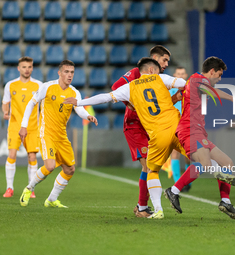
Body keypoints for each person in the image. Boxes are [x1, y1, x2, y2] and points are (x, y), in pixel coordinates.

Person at [64, 58, 235, 219]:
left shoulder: (129, 87)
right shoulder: (160, 79)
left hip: (157, 135)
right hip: (178, 128)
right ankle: (213, 196)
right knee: (204, 160)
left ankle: (158, 210)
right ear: (151, 70)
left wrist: (78, 103)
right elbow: (185, 84)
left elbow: (105, 98)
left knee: (152, 171)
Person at [164, 56, 235, 220]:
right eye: (219, 75)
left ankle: (225, 201)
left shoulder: (197, 83)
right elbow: (212, 91)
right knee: (205, 164)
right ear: (212, 71)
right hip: (189, 129)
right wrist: (232, 97)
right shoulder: (196, 79)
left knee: (227, 163)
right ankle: (173, 191)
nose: (220, 79)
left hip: (199, 131)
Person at [111, 46, 182, 218]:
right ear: (154, 59)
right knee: (148, 166)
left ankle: (142, 205)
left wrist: (174, 99)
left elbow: (158, 107)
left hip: (152, 126)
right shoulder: (137, 73)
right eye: (164, 60)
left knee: (150, 167)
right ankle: (143, 207)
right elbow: (116, 86)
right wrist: (130, 105)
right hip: (135, 125)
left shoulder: (158, 80)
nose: (166, 64)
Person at [19, 60, 97, 208]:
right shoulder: (47, 87)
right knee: (50, 166)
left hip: (62, 135)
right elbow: (31, 103)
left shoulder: (74, 92)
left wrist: (87, 116)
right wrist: (24, 126)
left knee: (69, 169)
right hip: (46, 133)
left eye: (72, 72)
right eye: (66, 72)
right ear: (59, 73)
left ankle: (51, 199)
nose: (69, 75)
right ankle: (29, 188)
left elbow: (78, 108)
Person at [1, 57, 42, 198]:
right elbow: (5, 102)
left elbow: (45, 104)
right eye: (24, 67)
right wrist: (5, 111)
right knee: (11, 155)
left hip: (32, 127)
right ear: (19, 68)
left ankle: (30, 188)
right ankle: (9, 188)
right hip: (14, 126)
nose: (27, 70)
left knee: (32, 157)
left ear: (32, 68)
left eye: (29, 67)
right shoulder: (10, 85)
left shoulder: (39, 85)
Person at [168, 67, 191, 190]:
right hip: (175, 124)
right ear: (174, 75)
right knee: (175, 152)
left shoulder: (191, 89)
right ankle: (178, 183)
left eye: (183, 73)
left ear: (186, 75)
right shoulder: (170, 90)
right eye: (178, 74)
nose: (181, 76)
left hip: (187, 124)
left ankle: (187, 180)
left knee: (189, 155)